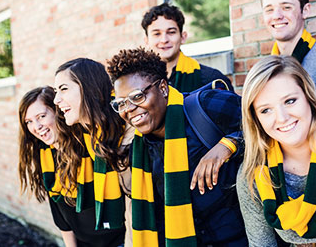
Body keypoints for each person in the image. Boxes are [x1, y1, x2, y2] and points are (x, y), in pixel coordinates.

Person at [107, 47, 247, 247]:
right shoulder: (141, 153)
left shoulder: (206, 106)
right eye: (121, 103)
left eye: (137, 97)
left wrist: (228, 145)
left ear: (163, 88)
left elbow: (265, 128)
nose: (129, 109)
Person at [237, 55, 316, 247]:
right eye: (266, 110)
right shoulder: (255, 178)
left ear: (309, 96)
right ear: (255, 119)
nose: (282, 118)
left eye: (290, 101)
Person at [53, 58, 134, 247]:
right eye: (56, 91)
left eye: (63, 89)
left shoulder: (129, 130)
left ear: (89, 88)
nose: (56, 100)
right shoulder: (87, 137)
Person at [18, 86, 86, 246]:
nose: (36, 126)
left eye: (41, 116)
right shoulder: (46, 158)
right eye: (29, 122)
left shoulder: (88, 148)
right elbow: (62, 217)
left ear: (58, 112)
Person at [141, 2, 233, 93]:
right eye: (157, 34)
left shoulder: (212, 81)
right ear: (146, 41)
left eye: (171, 32)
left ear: (183, 37)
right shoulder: (140, 83)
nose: (164, 40)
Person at [261, 0, 316, 105]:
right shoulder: (264, 69)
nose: (276, 16)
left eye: (286, 7)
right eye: (269, 9)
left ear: (305, 11)